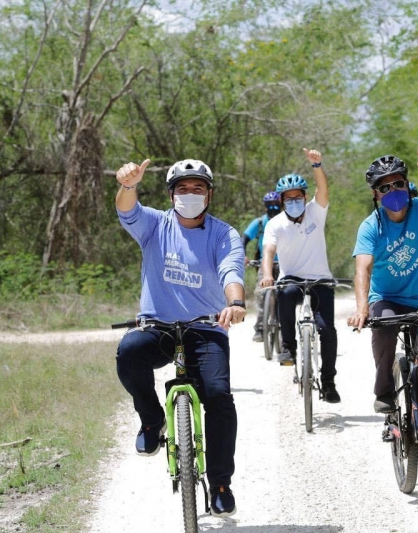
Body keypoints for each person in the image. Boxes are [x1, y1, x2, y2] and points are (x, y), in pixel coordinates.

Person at [114, 157, 246, 517]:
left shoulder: (224, 234)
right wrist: (128, 185)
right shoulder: (154, 225)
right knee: (129, 351)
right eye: (182, 188)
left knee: (218, 397)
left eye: (198, 188)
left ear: (209, 194)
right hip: (158, 327)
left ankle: (220, 484)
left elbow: (231, 270)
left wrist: (235, 303)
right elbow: (126, 209)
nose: (190, 194)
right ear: (171, 195)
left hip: (205, 328)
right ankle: (151, 420)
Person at [347, 149, 418, 473]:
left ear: (408, 185)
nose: (393, 191)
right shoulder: (371, 226)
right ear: (375, 194)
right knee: (382, 326)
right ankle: (384, 389)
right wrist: (362, 307)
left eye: (398, 184)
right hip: (388, 299)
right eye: (385, 187)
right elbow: (363, 268)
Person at [260, 148, 341, 403]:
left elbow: (323, 189)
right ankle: (288, 347)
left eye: (298, 197)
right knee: (285, 294)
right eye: (289, 198)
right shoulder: (275, 224)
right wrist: (267, 275)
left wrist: (317, 165)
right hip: (292, 277)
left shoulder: (316, 211)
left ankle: (328, 381)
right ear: (282, 200)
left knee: (327, 331)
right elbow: (268, 252)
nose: (294, 201)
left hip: (321, 279)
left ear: (305, 197)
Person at [242, 191, 282, 342]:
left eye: (276, 205)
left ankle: (285, 328)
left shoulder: (287, 221)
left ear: (281, 206)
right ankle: (260, 328)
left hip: (285, 264)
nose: (273, 208)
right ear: (265, 207)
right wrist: (243, 255)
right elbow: (244, 239)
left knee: (286, 295)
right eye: (269, 205)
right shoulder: (259, 223)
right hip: (264, 264)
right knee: (261, 293)